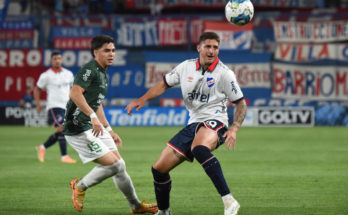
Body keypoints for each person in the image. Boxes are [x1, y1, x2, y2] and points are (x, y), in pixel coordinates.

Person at [126, 32, 247, 215]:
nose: (212, 51)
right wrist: (142, 99)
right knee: (159, 170)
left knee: (199, 148)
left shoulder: (225, 74)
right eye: (208, 46)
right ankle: (164, 212)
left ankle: (229, 201)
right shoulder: (186, 67)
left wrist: (235, 128)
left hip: (216, 122)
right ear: (199, 48)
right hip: (194, 124)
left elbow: (241, 103)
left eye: (215, 47)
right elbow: (163, 84)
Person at [62, 35, 158, 214]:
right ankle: (80, 186)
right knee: (114, 165)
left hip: (91, 124)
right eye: (107, 50)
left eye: (113, 50)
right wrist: (92, 117)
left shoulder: (103, 73)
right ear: (95, 52)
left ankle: (136, 206)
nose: (111, 54)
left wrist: (109, 129)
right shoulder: (89, 69)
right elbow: (75, 94)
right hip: (77, 128)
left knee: (120, 166)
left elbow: (96, 103)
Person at [34, 51, 76, 164]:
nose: (57, 60)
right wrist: (38, 103)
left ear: (62, 60)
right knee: (62, 128)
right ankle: (64, 156)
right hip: (54, 106)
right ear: (51, 61)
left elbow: (73, 90)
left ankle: (42, 148)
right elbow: (37, 89)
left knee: (62, 130)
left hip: (66, 106)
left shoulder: (69, 74)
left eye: (59, 58)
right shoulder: (46, 75)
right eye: (55, 59)